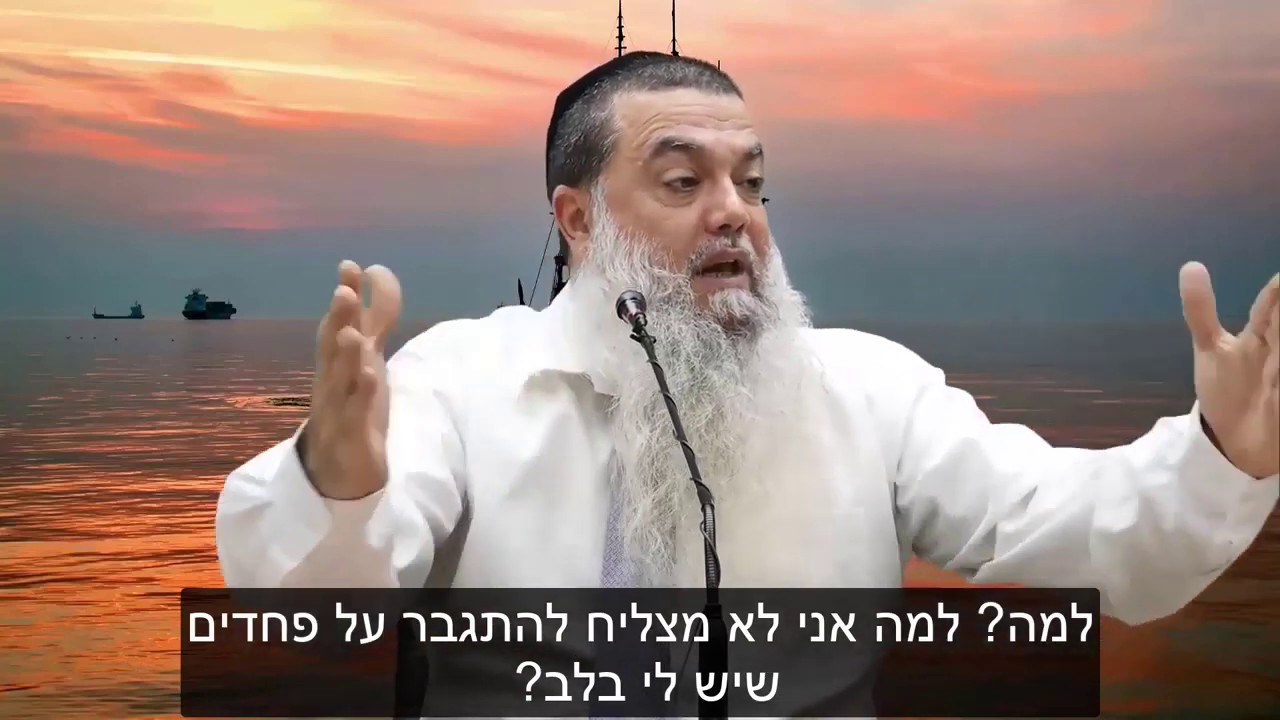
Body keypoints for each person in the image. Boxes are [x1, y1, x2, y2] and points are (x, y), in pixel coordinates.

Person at [216, 51, 1278, 627]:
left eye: (753, 182)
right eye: (683, 180)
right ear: (576, 219)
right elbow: (313, 614)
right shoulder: (460, 381)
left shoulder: (868, 391)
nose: (734, 212)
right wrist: (338, 486)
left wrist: (1225, 452)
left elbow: (1083, 533)